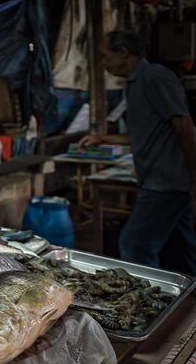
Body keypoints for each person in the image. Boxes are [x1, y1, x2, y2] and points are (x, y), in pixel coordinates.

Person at [79, 30, 196, 274]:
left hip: (164, 182)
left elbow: (184, 127)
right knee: (184, 245)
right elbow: (145, 134)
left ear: (123, 52)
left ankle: (145, 304)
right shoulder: (133, 84)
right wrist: (102, 138)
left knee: (134, 244)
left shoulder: (155, 77)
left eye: (104, 56)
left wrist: (194, 177)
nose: (103, 63)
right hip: (158, 180)